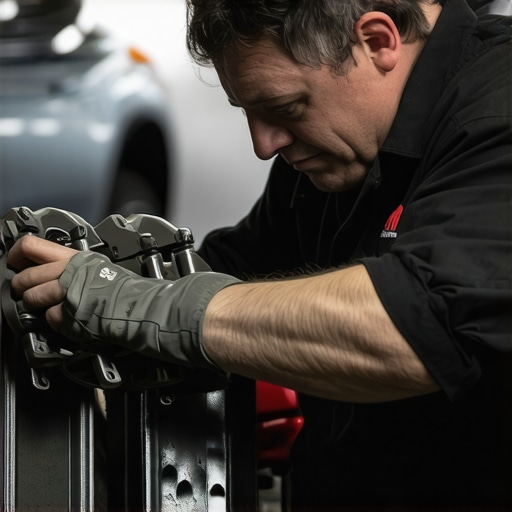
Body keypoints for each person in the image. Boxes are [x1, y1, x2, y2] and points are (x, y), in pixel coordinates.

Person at [5, 0, 511, 509]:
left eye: (286, 107)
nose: (264, 145)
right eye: (249, 111)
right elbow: (235, 272)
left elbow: (420, 326)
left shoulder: (496, 113)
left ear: (378, 42)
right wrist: (80, 287)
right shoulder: (332, 156)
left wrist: (135, 304)